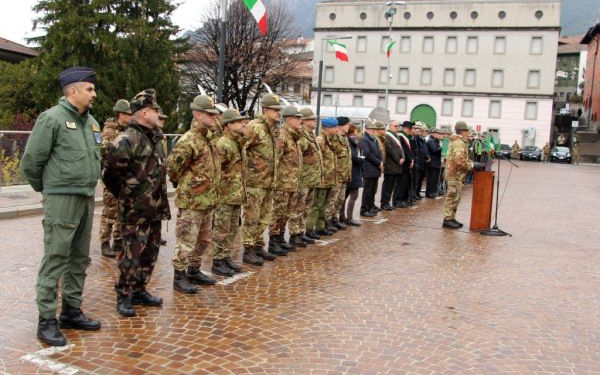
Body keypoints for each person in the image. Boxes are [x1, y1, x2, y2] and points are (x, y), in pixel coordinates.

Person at [20, 66, 102, 346]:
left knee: (79, 258)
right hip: (62, 198)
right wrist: (47, 190)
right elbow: (31, 161)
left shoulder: (92, 123)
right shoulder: (51, 119)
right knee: (56, 258)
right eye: (89, 89)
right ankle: (46, 320)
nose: (94, 94)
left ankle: (71, 310)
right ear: (73, 91)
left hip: (86, 196)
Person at [103, 89, 171, 317]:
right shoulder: (126, 140)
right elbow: (110, 175)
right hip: (135, 210)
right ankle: (124, 294)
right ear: (143, 113)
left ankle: (140, 289)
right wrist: (128, 196)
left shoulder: (157, 137)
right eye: (154, 109)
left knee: (150, 254)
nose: (158, 113)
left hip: (155, 208)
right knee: (131, 254)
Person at [167, 95, 220, 293]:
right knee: (186, 240)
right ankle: (179, 276)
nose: (214, 117)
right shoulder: (189, 140)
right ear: (198, 115)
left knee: (204, 239)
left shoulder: (208, 139)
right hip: (192, 200)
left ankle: (194, 270)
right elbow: (173, 167)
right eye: (210, 114)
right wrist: (186, 184)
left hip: (208, 199)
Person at [213, 108, 255, 271]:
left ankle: (225, 256)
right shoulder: (223, 144)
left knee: (231, 229)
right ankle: (217, 260)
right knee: (222, 229)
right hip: (225, 194)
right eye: (238, 122)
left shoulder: (237, 142)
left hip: (236, 193)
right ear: (228, 125)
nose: (242, 124)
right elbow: (217, 170)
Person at [242, 94, 283, 259]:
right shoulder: (255, 127)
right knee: (252, 217)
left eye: (279, 110)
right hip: (255, 182)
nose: (278, 113)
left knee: (264, 218)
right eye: (275, 110)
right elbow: (241, 147)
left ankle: (258, 245)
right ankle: (248, 249)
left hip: (268, 182)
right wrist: (249, 168)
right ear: (265, 109)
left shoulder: (272, 129)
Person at [99, 99, 132, 258]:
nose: (130, 116)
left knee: (122, 210)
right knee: (109, 211)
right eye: (128, 114)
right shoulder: (109, 132)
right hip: (112, 178)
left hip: (125, 178)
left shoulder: (129, 130)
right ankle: (105, 241)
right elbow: (104, 153)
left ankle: (118, 239)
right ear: (120, 114)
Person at [269, 106, 304, 251]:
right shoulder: (282, 136)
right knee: (278, 212)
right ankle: (273, 240)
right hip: (282, 183)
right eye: (297, 118)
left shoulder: (293, 136)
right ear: (288, 119)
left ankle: (281, 237)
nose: (300, 121)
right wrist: (276, 181)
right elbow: (276, 159)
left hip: (291, 182)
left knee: (286, 212)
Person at [288, 108, 322, 244]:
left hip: (311, 179)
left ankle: (300, 231)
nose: (315, 121)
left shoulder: (310, 135)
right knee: (298, 208)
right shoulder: (301, 136)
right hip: (303, 179)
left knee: (306, 208)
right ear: (304, 121)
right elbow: (298, 157)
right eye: (312, 119)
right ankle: (294, 233)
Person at [442, 121, 484, 229]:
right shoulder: (458, 143)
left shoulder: (460, 141)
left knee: (456, 197)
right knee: (452, 197)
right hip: (454, 174)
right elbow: (459, 160)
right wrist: (472, 165)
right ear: (463, 131)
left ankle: (451, 217)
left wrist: (471, 163)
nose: (468, 133)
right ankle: (447, 219)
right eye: (467, 131)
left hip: (457, 174)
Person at [307, 117, 338, 236]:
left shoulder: (329, 140)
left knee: (324, 205)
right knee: (316, 205)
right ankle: (310, 228)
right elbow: (315, 160)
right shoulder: (320, 140)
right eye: (334, 127)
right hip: (322, 179)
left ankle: (320, 227)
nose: (336, 129)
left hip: (329, 179)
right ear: (327, 128)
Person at [326, 117, 352, 230]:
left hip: (344, 175)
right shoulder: (334, 138)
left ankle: (335, 219)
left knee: (340, 199)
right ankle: (328, 221)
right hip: (336, 175)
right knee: (332, 200)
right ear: (341, 126)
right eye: (347, 125)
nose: (348, 127)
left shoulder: (344, 138)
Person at [359, 120, 384, 217]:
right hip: (369, 168)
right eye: (372, 129)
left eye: (375, 129)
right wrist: (378, 162)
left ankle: (370, 207)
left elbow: (378, 151)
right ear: (368, 129)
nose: (374, 131)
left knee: (373, 190)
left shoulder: (373, 138)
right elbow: (367, 154)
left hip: (375, 168)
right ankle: (364, 209)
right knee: (368, 191)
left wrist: (380, 160)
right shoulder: (364, 139)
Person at [342, 123, 363, 226]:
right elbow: (353, 157)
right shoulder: (351, 141)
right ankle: (348, 218)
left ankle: (343, 217)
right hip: (352, 171)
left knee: (345, 195)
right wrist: (360, 160)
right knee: (352, 195)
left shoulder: (351, 140)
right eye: (357, 131)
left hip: (353, 171)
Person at [380, 121, 404, 210]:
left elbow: (401, 149)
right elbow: (389, 149)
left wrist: (403, 158)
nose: (397, 128)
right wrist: (398, 159)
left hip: (398, 165)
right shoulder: (386, 136)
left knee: (393, 185)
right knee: (388, 185)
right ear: (390, 126)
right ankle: (384, 203)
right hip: (390, 164)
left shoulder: (397, 136)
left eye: (398, 126)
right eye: (396, 126)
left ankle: (390, 202)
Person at [395, 121, 415, 208]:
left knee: (405, 182)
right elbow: (405, 150)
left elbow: (410, 150)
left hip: (407, 164)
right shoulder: (401, 136)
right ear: (408, 129)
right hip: (403, 164)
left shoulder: (407, 137)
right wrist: (410, 159)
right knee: (401, 183)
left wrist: (412, 159)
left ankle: (404, 199)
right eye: (411, 129)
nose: (412, 131)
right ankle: (399, 200)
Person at [425, 129, 443, 198]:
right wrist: (442, 147)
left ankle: (433, 191)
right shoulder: (430, 141)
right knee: (431, 179)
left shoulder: (435, 140)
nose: (439, 135)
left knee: (435, 179)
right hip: (432, 163)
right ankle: (429, 192)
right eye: (438, 134)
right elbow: (434, 150)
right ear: (434, 133)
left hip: (436, 162)